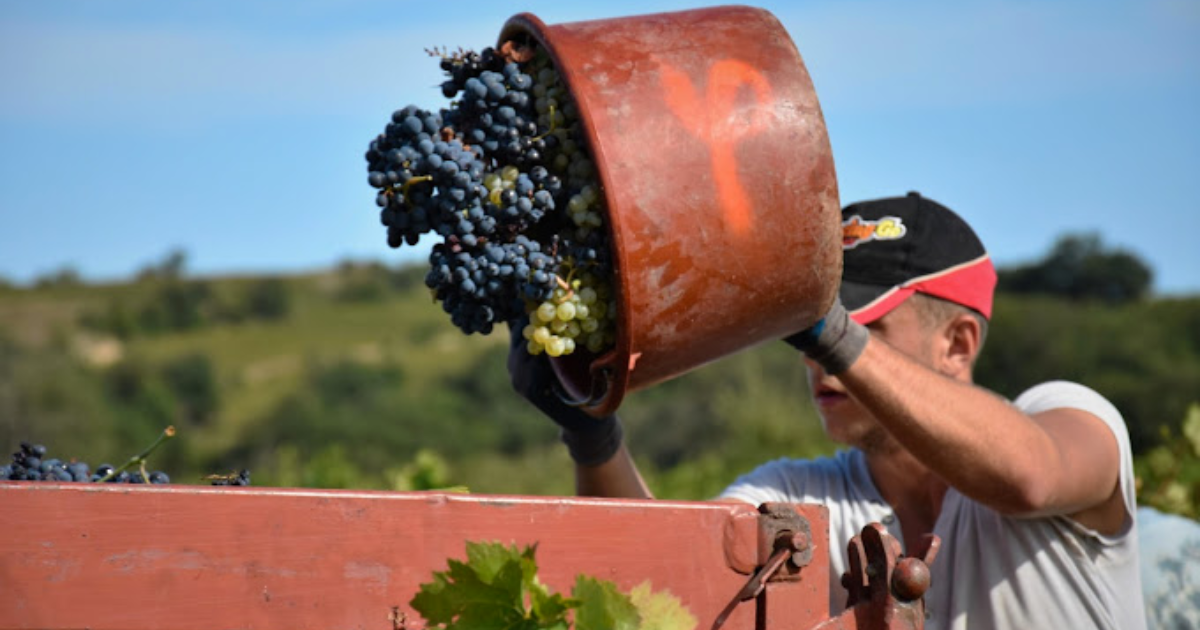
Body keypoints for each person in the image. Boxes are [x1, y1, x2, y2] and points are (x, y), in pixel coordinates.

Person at [508, 192, 1146, 629]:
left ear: (958, 344)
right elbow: (662, 575)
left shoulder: (1071, 417)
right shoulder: (801, 492)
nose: (820, 360)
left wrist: (831, 336)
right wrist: (595, 438)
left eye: (865, 328)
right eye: (812, 332)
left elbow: (1029, 476)